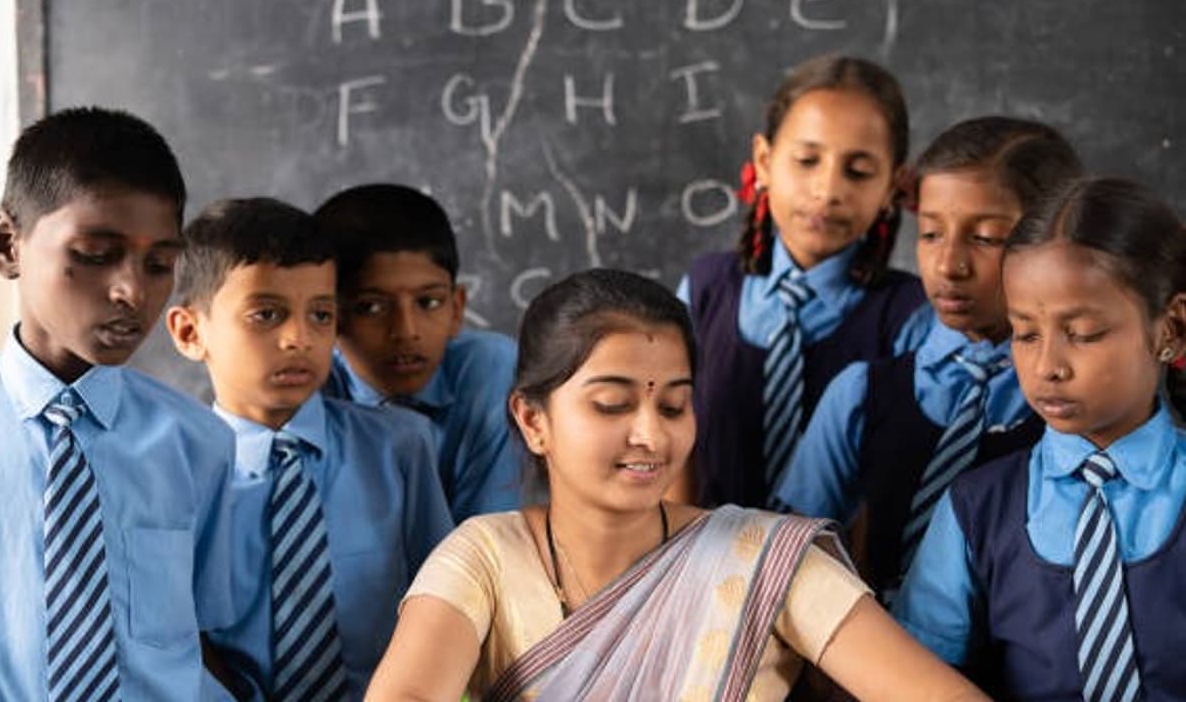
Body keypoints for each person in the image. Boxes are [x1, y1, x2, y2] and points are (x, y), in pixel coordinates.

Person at [366, 268, 988, 701]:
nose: (651, 437)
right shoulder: (483, 557)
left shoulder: (760, 557)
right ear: (533, 420)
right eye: (611, 404)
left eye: (673, 406)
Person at [0, 107, 238, 699]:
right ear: (7, 244)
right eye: (93, 253)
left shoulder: (199, 442)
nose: (133, 291)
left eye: (159, 264)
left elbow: (209, 643)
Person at [894, 177, 1186, 698]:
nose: (1048, 366)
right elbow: (912, 680)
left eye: (1084, 334)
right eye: (1025, 334)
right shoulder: (975, 508)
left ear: (1172, 329)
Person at [776, 117, 1083, 598]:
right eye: (931, 234)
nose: (949, 266)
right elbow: (790, 554)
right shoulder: (862, 392)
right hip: (874, 659)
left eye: (985, 238)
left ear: (1057, 241)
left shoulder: (1079, 401)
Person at [166, 197, 454, 700]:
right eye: (266, 314)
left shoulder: (400, 447)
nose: (299, 338)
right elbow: (175, 639)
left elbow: (448, 603)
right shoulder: (171, 472)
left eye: (321, 315)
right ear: (191, 332)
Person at [678, 55, 926, 509]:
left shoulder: (910, 319)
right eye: (807, 160)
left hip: (843, 573)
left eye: (858, 171)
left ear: (893, 185)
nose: (827, 189)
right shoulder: (703, 290)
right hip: (704, 560)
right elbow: (671, 445)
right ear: (764, 160)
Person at [314, 184, 522, 522]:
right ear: (330, 316)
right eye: (371, 307)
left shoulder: (489, 372)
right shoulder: (308, 389)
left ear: (456, 309)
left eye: (429, 302)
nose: (406, 331)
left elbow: (487, 541)